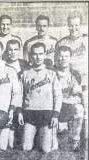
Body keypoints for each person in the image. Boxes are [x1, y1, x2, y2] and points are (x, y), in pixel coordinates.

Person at [18, 42, 62, 153]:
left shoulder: (51, 73)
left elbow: (58, 96)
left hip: (46, 114)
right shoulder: (25, 73)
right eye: (35, 54)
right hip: (30, 114)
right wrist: (19, 112)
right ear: (30, 56)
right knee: (25, 148)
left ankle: (48, 136)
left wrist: (55, 115)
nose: (38, 57)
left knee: (46, 150)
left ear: (45, 55)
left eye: (41, 54)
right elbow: (18, 94)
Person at [55, 11, 88, 144]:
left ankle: (84, 143)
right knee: (70, 109)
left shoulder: (86, 39)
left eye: (76, 25)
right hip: (68, 81)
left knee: (85, 111)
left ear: (81, 24)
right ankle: (71, 140)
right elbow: (57, 63)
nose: (73, 28)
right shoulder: (63, 42)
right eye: (71, 25)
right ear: (67, 25)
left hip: (85, 81)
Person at [54, 46, 84, 152]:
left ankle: (74, 140)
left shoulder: (74, 74)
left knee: (79, 109)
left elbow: (77, 97)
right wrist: (63, 99)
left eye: (66, 56)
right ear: (56, 57)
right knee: (52, 148)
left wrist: (70, 100)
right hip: (52, 108)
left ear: (70, 58)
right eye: (61, 56)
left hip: (65, 107)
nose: (63, 59)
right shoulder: (51, 72)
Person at [3, 39, 30, 149]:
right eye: (10, 50)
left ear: (19, 51)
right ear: (6, 51)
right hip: (8, 98)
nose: (13, 52)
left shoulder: (25, 65)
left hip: (23, 98)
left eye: (15, 49)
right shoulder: (2, 64)